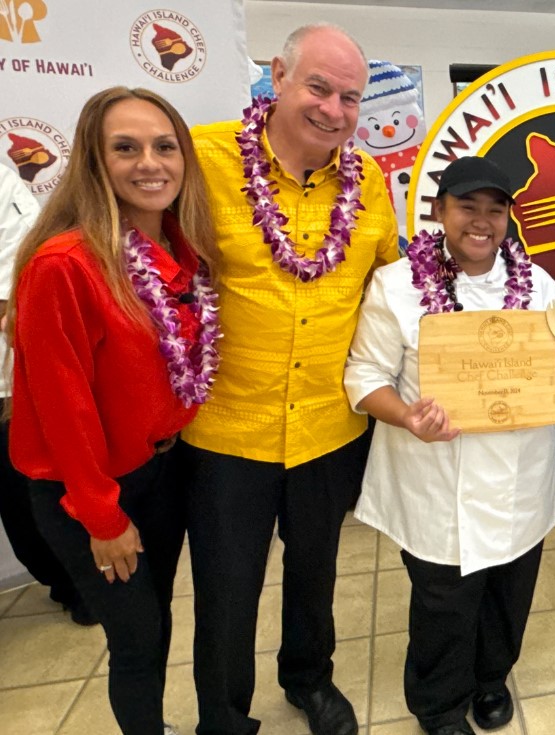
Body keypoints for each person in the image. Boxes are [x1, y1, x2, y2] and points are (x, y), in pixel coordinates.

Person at [181, 23, 399, 735]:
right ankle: (224, 712)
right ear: (277, 76)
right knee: (227, 587)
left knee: (316, 574)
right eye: (318, 87)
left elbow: (394, 287)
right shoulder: (202, 159)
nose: (334, 109)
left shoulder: (368, 183)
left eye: (350, 97)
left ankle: (309, 678)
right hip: (225, 431)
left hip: (328, 429)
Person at [345, 156, 555, 735]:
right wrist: (406, 416)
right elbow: (363, 375)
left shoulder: (540, 286)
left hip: (519, 475)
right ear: (438, 211)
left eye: (494, 210)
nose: (481, 222)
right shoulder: (396, 285)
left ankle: (491, 678)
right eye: (466, 207)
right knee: (443, 604)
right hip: (434, 475)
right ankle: (438, 705)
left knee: (509, 590)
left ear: (508, 217)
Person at [6, 86, 220, 735]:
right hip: (90, 491)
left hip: (160, 472)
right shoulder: (64, 264)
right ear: (95, 161)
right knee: (134, 641)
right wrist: (102, 515)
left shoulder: (181, 253)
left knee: (157, 625)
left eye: (164, 146)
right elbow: (61, 406)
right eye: (125, 148)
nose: (149, 162)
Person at [0, 165, 96, 626]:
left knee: (24, 506)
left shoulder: (2, 184)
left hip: (6, 393)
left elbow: (9, 297)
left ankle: (72, 585)